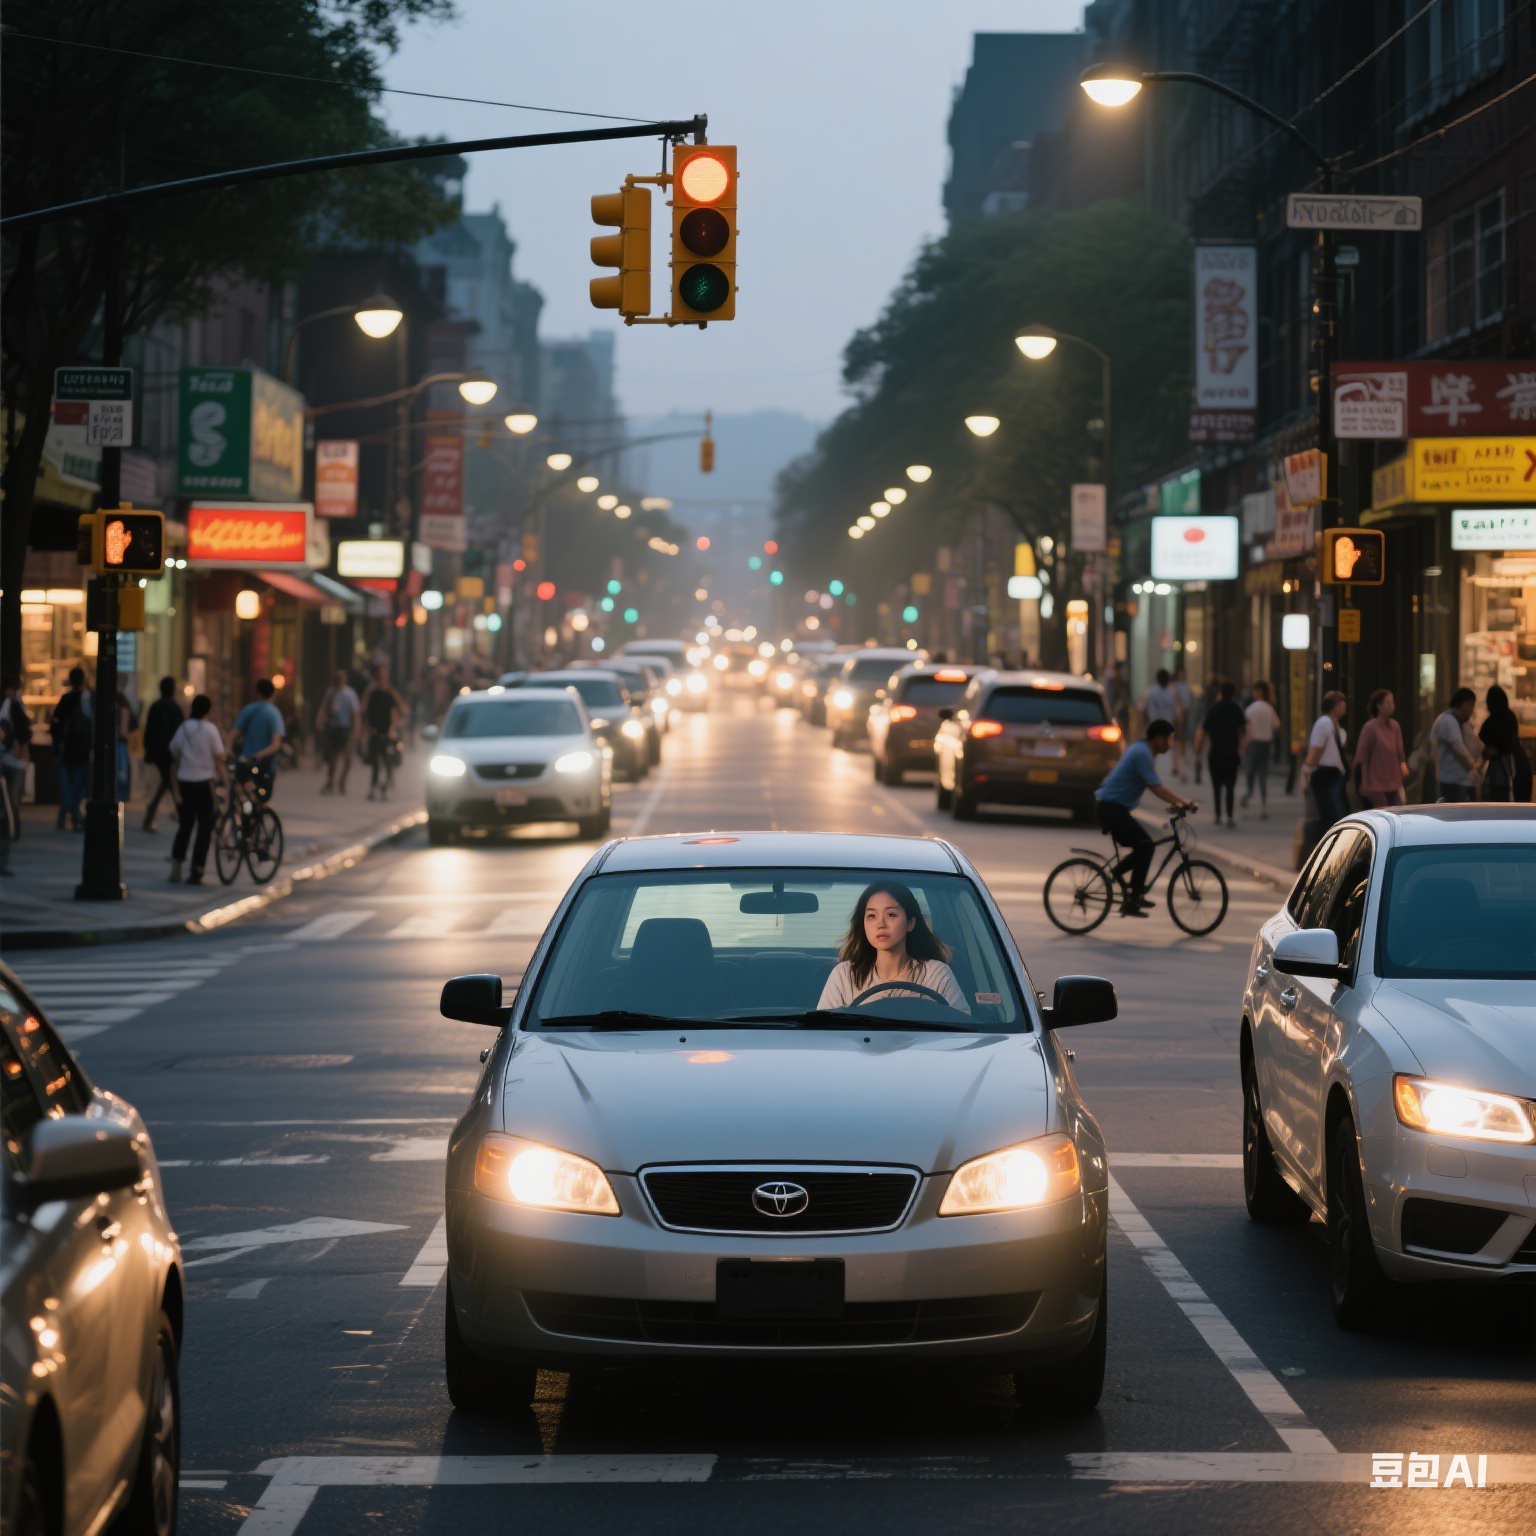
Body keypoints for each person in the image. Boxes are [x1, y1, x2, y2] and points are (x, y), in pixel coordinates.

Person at [1094, 719, 1197, 917]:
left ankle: (1131, 891)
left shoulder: (1143, 750)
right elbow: (1156, 787)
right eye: (1170, 739)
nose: (1171, 743)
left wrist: (1178, 803)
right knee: (1146, 846)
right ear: (1158, 739)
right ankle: (1131, 893)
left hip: (1114, 808)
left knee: (1144, 846)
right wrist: (1183, 802)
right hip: (1110, 808)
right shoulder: (1142, 753)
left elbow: (1154, 786)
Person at [817, 882, 969, 1012]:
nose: (880, 924)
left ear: (910, 923)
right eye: (871, 916)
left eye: (891, 915)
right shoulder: (844, 976)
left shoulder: (936, 975)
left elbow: (963, 1032)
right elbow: (824, 1035)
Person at [167, 694, 227, 885]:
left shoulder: (183, 729)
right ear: (208, 710)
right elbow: (219, 759)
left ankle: (176, 863)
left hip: (184, 782)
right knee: (205, 826)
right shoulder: (210, 730)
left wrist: (175, 791)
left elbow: (174, 757)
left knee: (185, 824)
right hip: (204, 783)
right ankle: (197, 869)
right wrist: (227, 781)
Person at [1197, 680, 1246, 826]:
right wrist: (1240, 751)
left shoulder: (1214, 709)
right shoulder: (1237, 709)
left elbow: (1204, 731)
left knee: (1216, 787)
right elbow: (1241, 732)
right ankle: (1230, 816)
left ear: (1221, 693)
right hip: (1232, 753)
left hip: (1216, 753)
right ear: (1233, 694)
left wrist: (1198, 750)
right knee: (1230, 786)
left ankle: (1218, 816)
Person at [49, 667, 93, 832]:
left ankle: (67, 814)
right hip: (82, 748)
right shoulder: (87, 699)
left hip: (65, 748)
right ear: (83, 680)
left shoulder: (66, 699)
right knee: (78, 785)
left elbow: (55, 724)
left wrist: (56, 745)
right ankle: (73, 816)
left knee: (68, 786)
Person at [231, 678, 286, 805]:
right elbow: (276, 743)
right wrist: (261, 754)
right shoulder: (274, 713)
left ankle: (243, 816)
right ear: (273, 694)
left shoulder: (248, 710)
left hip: (244, 761)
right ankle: (259, 814)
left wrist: (228, 750)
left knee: (242, 790)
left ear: (256, 693)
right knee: (262, 796)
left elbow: (233, 734)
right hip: (264, 764)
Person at [141, 677, 184, 832]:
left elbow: (149, 731)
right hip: (171, 753)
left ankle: (152, 816)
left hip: (158, 752)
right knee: (171, 783)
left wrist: (148, 752)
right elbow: (181, 732)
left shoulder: (155, 706)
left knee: (167, 783)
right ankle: (181, 815)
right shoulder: (175, 708)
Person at [1303, 692, 1351, 831]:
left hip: (1332, 774)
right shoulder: (1324, 723)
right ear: (1334, 707)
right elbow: (1317, 748)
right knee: (1331, 812)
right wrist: (1308, 767)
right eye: (1342, 705)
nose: (1344, 709)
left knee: (1333, 812)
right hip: (1325, 774)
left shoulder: (1332, 724)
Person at [1354, 689, 1408, 808]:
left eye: (1392, 702)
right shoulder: (1370, 728)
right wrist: (1364, 782)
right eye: (1388, 703)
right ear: (1379, 706)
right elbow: (1363, 757)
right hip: (1376, 783)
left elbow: (1400, 752)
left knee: (1399, 810)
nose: (1391, 706)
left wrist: (1403, 766)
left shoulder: (1395, 726)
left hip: (1394, 780)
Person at [360, 664, 406, 801]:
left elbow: (400, 710)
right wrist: (366, 729)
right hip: (374, 732)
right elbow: (364, 710)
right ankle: (373, 787)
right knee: (374, 762)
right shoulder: (371, 693)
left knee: (388, 762)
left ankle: (385, 787)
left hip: (388, 733)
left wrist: (393, 727)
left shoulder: (391, 693)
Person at [1478, 684, 1530, 803]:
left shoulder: (1493, 720)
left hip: (1502, 768)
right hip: (1518, 767)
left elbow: (1483, 739)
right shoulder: (1509, 717)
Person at [1431, 688, 1481, 803]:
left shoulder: (1462, 723)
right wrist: (1472, 766)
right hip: (1452, 782)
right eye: (1472, 706)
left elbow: (1475, 745)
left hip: (1460, 781)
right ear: (1465, 705)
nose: (1472, 711)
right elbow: (1459, 750)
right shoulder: (1448, 721)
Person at [315, 669, 360, 794]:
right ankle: (330, 781)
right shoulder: (330, 692)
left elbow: (355, 712)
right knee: (332, 758)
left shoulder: (349, 694)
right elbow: (324, 707)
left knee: (348, 758)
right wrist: (320, 720)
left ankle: (342, 782)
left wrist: (356, 729)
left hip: (345, 728)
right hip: (333, 728)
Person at [1240, 680, 1281, 817]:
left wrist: (1243, 745)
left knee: (1250, 771)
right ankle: (1263, 805)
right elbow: (1276, 725)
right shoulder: (1269, 709)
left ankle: (1248, 795)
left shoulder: (1250, 709)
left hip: (1253, 743)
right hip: (1266, 743)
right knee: (1263, 775)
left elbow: (1246, 729)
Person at [0, 677, 33, 844]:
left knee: (10, 799)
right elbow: (25, 732)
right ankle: (13, 829)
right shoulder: (14, 705)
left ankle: (12, 829)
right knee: (12, 798)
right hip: (15, 759)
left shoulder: (12, 706)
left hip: (12, 757)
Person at [1142, 669, 1179, 742]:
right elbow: (1175, 712)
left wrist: (1145, 723)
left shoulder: (1151, 692)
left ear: (1157, 679)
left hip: (1155, 726)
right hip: (1167, 727)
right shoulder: (1171, 693)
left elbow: (1143, 708)